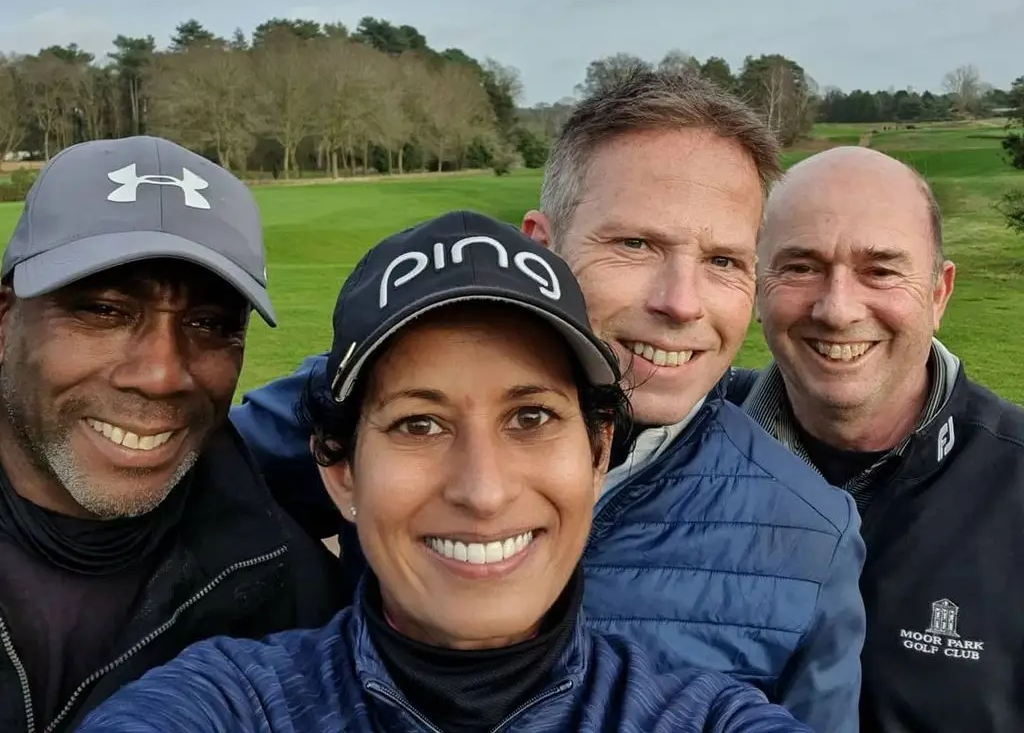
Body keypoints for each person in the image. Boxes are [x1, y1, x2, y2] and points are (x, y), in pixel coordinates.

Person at [230, 70, 867, 733]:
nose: (681, 303)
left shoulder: (812, 539)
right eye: (635, 244)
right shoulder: (373, 391)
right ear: (541, 244)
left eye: (725, 262)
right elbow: (179, 480)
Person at [78, 210, 814, 732]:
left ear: (596, 453)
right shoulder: (229, 706)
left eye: (530, 417)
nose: (483, 491)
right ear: (340, 474)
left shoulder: (711, 719)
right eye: (418, 424)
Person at [0, 136, 345, 733]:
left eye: (208, 324)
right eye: (105, 311)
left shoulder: (296, 598)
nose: (161, 375)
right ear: (5, 323)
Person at [731, 145, 1024, 732]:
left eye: (881, 270)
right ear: (757, 285)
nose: (837, 309)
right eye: (800, 266)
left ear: (939, 294)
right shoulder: (676, 449)